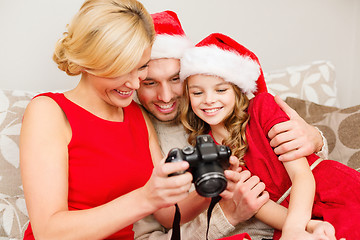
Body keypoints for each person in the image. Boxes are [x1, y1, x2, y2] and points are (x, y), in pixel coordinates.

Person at [19, 1, 211, 239]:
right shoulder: (49, 111)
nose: (134, 83)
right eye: (121, 70)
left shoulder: (136, 115)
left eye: (141, 68)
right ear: (88, 63)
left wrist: (211, 189)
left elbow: (165, 214)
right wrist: (144, 198)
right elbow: (48, 231)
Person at [134, 11, 331, 240]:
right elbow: (155, 231)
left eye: (176, 79)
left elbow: (291, 164)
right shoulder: (137, 133)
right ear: (134, 81)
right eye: (150, 82)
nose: (166, 96)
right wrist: (226, 215)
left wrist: (316, 139)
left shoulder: (218, 119)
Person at [179, 32, 360, 240]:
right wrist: (307, 227)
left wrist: (294, 228)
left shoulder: (262, 107)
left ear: (237, 90)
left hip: (328, 190)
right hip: (288, 216)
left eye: (220, 90)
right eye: (197, 93)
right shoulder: (208, 148)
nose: (209, 100)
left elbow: (301, 176)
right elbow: (259, 204)